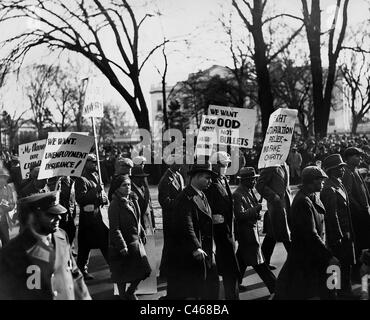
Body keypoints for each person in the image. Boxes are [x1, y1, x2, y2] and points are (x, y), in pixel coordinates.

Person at [0, 191, 91, 300]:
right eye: (51, 214)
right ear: (33, 217)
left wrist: (85, 297)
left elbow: (74, 274)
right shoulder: (13, 251)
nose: (59, 218)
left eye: (58, 214)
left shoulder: (61, 235)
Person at [275, 166, 339, 300]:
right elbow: (310, 234)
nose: (322, 182)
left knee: (324, 290)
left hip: (313, 254)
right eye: (320, 180)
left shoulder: (312, 196)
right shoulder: (303, 202)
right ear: (311, 181)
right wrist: (328, 255)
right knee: (300, 292)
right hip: (306, 257)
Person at [167, 162, 219, 299]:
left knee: (209, 286)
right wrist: (195, 247)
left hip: (206, 249)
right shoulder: (185, 197)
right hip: (192, 252)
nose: (210, 181)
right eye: (206, 178)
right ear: (195, 177)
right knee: (193, 291)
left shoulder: (201, 194)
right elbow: (185, 224)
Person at [233, 167, 276, 295]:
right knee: (260, 264)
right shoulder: (237, 194)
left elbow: (251, 212)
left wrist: (256, 213)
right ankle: (275, 288)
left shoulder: (249, 191)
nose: (254, 182)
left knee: (241, 261)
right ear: (244, 180)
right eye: (251, 180)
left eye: (254, 179)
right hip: (246, 235)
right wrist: (255, 209)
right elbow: (239, 215)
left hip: (252, 233)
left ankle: (234, 284)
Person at [108, 174, 151, 300]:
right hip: (122, 245)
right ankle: (123, 295)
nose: (127, 187)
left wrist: (142, 231)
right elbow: (114, 228)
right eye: (124, 185)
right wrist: (122, 246)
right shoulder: (115, 205)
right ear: (117, 188)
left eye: (129, 185)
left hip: (135, 242)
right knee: (121, 275)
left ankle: (130, 291)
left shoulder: (133, 200)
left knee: (145, 271)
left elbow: (137, 219)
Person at [320, 154, 357, 299]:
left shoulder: (338, 183)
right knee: (335, 266)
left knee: (346, 264)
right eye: (339, 167)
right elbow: (331, 215)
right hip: (339, 235)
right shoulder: (329, 188)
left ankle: (345, 291)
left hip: (346, 232)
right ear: (331, 170)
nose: (342, 169)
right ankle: (333, 293)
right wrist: (338, 236)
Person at [205, 151, 240, 300]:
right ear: (216, 165)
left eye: (226, 165)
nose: (226, 167)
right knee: (228, 266)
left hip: (227, 227)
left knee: (230, 265)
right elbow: (206, 203)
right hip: (217, 230)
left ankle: (231, 292)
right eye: (224, 165)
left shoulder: (222, 179)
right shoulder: (210, 182)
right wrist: (212, 216)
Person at [75, 154, 109, 280]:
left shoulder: (96, 176)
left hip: (99, 216)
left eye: (96, 162)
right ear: (86, 163)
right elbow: (81, 199)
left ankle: (114, 268)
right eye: (93, 162)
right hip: (88, 219)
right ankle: (82, 270)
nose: (95, 164)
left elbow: (101, 196)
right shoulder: (81, 180)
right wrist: (96, 191)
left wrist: (104, 198)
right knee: (85, 247)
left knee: (104, 243)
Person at [157, 154, 185, 297]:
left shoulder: (178, 175)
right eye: (178, 163)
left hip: (178, 217)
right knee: (169, 244)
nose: (181, 165)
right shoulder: (166, 180)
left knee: (175, 244)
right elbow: (164, 201)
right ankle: (165, 271)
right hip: (170, 218)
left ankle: (170, 269)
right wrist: (179, 204)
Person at [341, 147, 370, 282]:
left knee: (364, 244)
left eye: (359, 156)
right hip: (357, 216)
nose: (359, 158)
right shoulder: (347, 172)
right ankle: (357, 275)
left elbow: (364, 190)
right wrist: (360, 209)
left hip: (364, 212)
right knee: (359, 245)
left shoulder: (356, 171)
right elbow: (348, 194)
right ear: (348, 158)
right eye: (356, 156)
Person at [256, 162, 292, 269]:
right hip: (276, 206)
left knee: (272, 235)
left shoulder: (284, 165)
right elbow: (259, 185)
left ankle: (263, 262)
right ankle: (296, 262)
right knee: (286, 235)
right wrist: (273, 196)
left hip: (286, 204)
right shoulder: (271, 166)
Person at [131, 166, 154, 234]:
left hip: (148, 224)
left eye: (143, 177)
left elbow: (150, 207)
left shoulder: (145, 189)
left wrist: (153, 224)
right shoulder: (131, 191)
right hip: (139, 225)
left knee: (150, 243)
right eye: (140, 177)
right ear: (133, 178)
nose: (142, 179)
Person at [0, 167, 17, 247]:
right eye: (1, 177)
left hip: (4, 221)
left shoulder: (9, 188)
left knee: (6, 242)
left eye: (5, 177)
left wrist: (8, 207)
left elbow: (12, 203)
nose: (3, 180)